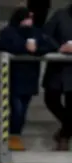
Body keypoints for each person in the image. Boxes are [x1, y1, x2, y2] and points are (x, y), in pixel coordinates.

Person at [0, 7, 58, 151]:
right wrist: (25, 47)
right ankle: (12, 135)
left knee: (23, 110)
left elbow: (50, 45)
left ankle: (15, 135)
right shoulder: (9, 31)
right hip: (13, 77)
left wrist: (36, 48)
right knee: (16, 109)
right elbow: (3, 45)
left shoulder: (36, 32)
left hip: (30, 78)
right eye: (27, 18)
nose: (29, 21)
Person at [42, 3, 72, 151]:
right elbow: (46, 34)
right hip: (57, 68)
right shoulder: (60, 15)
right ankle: (66, 131)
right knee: (50, 99)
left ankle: (64, 136)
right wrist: (59, 47)